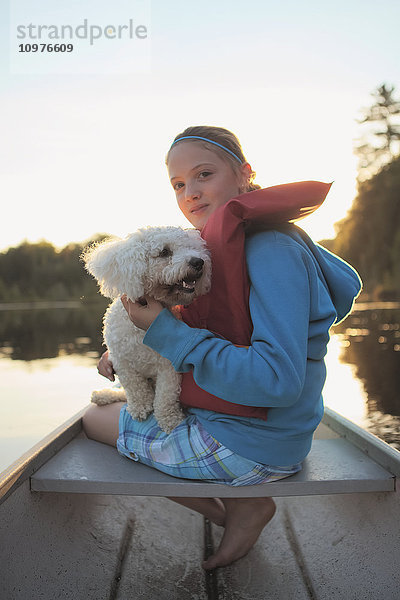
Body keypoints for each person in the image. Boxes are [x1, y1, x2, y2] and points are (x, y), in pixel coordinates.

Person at [83, 125, 362, 570]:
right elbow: (223, 338)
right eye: (178, 185)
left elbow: (276, 381)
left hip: (252, 447)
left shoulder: (269, 249)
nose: (190, 193)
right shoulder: (250, 241)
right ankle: (238, 506)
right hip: (263, 432)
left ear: (244, 174)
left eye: (204, 175)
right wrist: (135, 349)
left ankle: (239, 506)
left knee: (93, 418)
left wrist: (166, 332)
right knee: (136, 404)